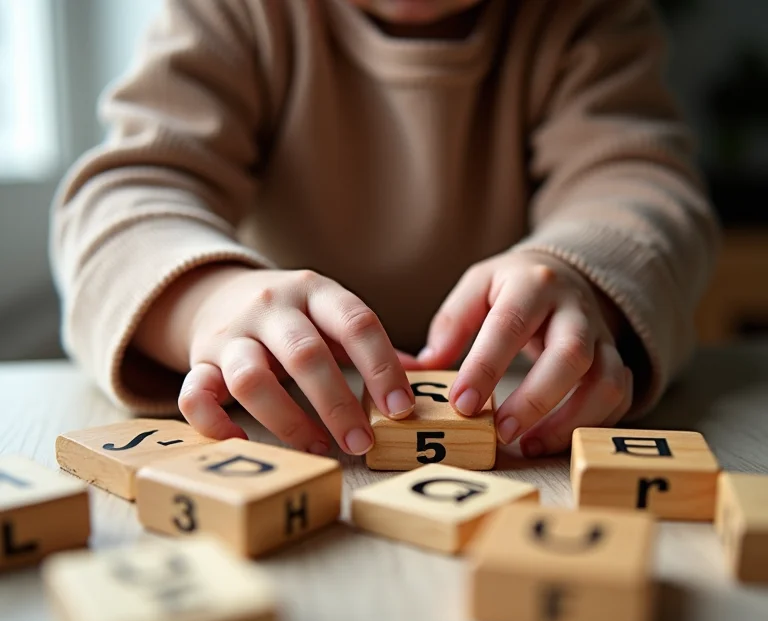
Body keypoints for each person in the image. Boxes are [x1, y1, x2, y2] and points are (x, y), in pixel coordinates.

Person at [51, 0, 718, 459]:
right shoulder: (236, 13)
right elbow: (123, 198)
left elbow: (640, 185)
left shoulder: (587, 16)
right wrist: (208, 300)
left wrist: (585, 276)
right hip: (280, 418)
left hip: (517, 410)